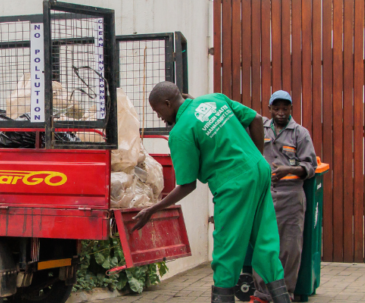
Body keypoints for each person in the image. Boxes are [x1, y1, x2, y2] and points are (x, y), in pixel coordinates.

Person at [132, 82, 292, 303]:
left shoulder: (180, 132)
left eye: (158, 110)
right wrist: (255, 158)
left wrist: (153, 209)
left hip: (233, 185)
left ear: (168, 104)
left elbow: (187, 185)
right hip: (260, 171)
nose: (159, 116)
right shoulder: (214, 99)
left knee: (227, 249)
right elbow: (256, 119)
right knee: (265, 241)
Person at [252, 90, 317, 303]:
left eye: (285, 108)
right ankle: (262, 294)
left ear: (291, 109)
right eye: (276, 108)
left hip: (291, 197)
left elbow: (310, 166)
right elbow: (234, 116)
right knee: (264, 245)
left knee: (289, 247)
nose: (281, 113)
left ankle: (284, 293)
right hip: (265, 195)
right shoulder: (259, 128)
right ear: (269, 109)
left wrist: (289, 171)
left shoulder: (300, 133)